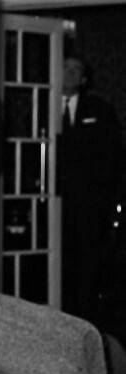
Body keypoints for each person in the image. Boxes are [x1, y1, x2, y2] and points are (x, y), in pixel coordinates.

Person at [58, 55, 123, 324]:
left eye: (76, 70)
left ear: (84, 78)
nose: (70, 73)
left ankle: (86, 322)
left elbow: (113, 158)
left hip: (89, 208)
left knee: (87, 270)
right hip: (52, 206)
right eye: (65, 67)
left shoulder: (99, 109)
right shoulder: (41, 104)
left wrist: (107, 204)